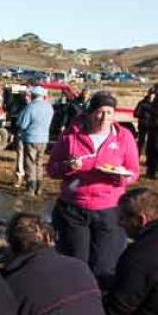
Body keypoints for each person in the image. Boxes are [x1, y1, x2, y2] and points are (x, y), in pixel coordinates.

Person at [47, 91, 140, 288]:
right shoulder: (71, 134)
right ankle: (75, 302)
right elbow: (52, 169)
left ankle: (100, 305)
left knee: (105, 265)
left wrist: (122, 177)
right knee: (75, 264)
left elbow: (133, 172)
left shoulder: (124, 137)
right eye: (100, 112)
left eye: (109, 112)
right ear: (90, 113)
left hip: (109, 209)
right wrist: (67, 167)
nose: (105, 117)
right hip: (73, 208)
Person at [15, 85, 54, 196]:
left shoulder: (30, 107)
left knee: (30, 163)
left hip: (31, 138)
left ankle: (30, 189)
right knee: (39, 163)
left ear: (32, 95)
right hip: (44, 139)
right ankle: (39, 188)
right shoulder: (49, 107)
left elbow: (23, 124)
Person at [132, 87, 155, 157]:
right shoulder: (142, 102)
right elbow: (135, 113)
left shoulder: (157, 104)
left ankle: (149, 158)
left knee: (151, 143)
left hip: (152, 126)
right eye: (150, 93)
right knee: (140, 143)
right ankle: (137, 156)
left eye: (153, 94)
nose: (151, 95)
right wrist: (142, 115)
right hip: (143, 125)